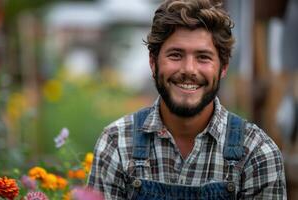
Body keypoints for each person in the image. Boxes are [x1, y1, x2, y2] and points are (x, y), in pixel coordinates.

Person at [87, 0, 287, 199]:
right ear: (153, 62)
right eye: (175, 55)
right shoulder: (117, 143)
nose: (189, 70)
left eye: (203, 57)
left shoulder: (257, 152)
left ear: (223, 67)